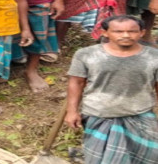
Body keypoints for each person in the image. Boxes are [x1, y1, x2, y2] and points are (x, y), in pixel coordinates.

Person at [65, 15, 158, 164]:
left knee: (146, 157)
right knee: (101, 159)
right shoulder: (86, 54)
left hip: (140, 113)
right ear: (105, 33)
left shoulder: (154, 56)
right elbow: (76, 82)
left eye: (132, 31)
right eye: (118, 31)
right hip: (99, 114)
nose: (126, 35)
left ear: (142, 33)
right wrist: (72, 111)